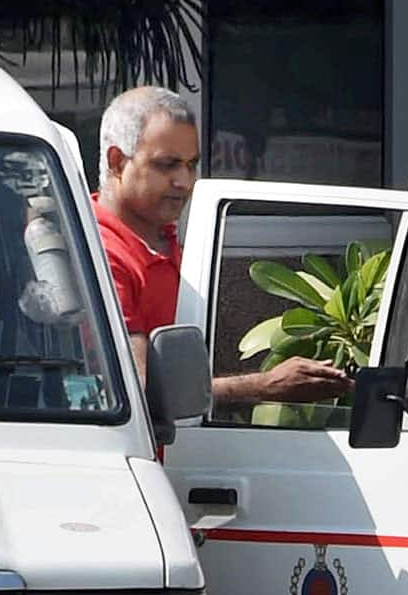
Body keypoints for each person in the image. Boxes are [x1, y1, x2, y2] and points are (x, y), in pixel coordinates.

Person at [94, 86, 351, 404]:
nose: (185, 181)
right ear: (117, 162)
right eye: (167, 164)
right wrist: (263, 386)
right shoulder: (102, 254)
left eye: (191, 164)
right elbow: (138, 392)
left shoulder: (162, 238)